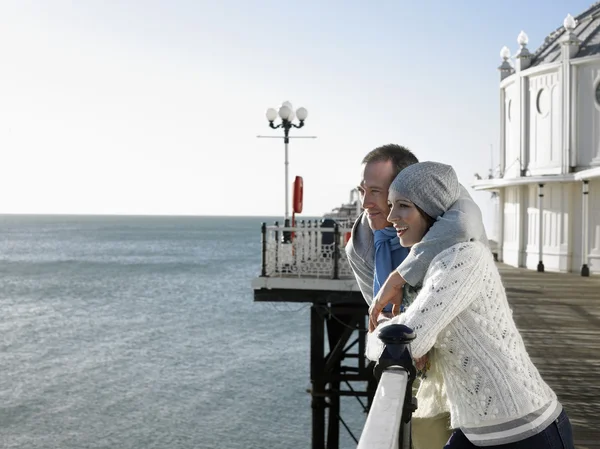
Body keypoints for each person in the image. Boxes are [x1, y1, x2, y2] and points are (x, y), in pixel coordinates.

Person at [368, 162, 574, 448]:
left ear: (433, 210)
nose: (391, 217)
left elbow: (403, 342)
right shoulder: (444, 259)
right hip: (481, 432)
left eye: (403, 206)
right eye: (391, 205)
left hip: (528, 432)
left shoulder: (460, 259)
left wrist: (375, 332)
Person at [345, 144, 488, 449]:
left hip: (469, 360)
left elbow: (464, 222)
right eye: (362, 191)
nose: (365, 203)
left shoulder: (448, 204)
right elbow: (378, 310)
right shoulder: (360, 245)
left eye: (375, 191)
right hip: (417, 369)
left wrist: (401, 276)